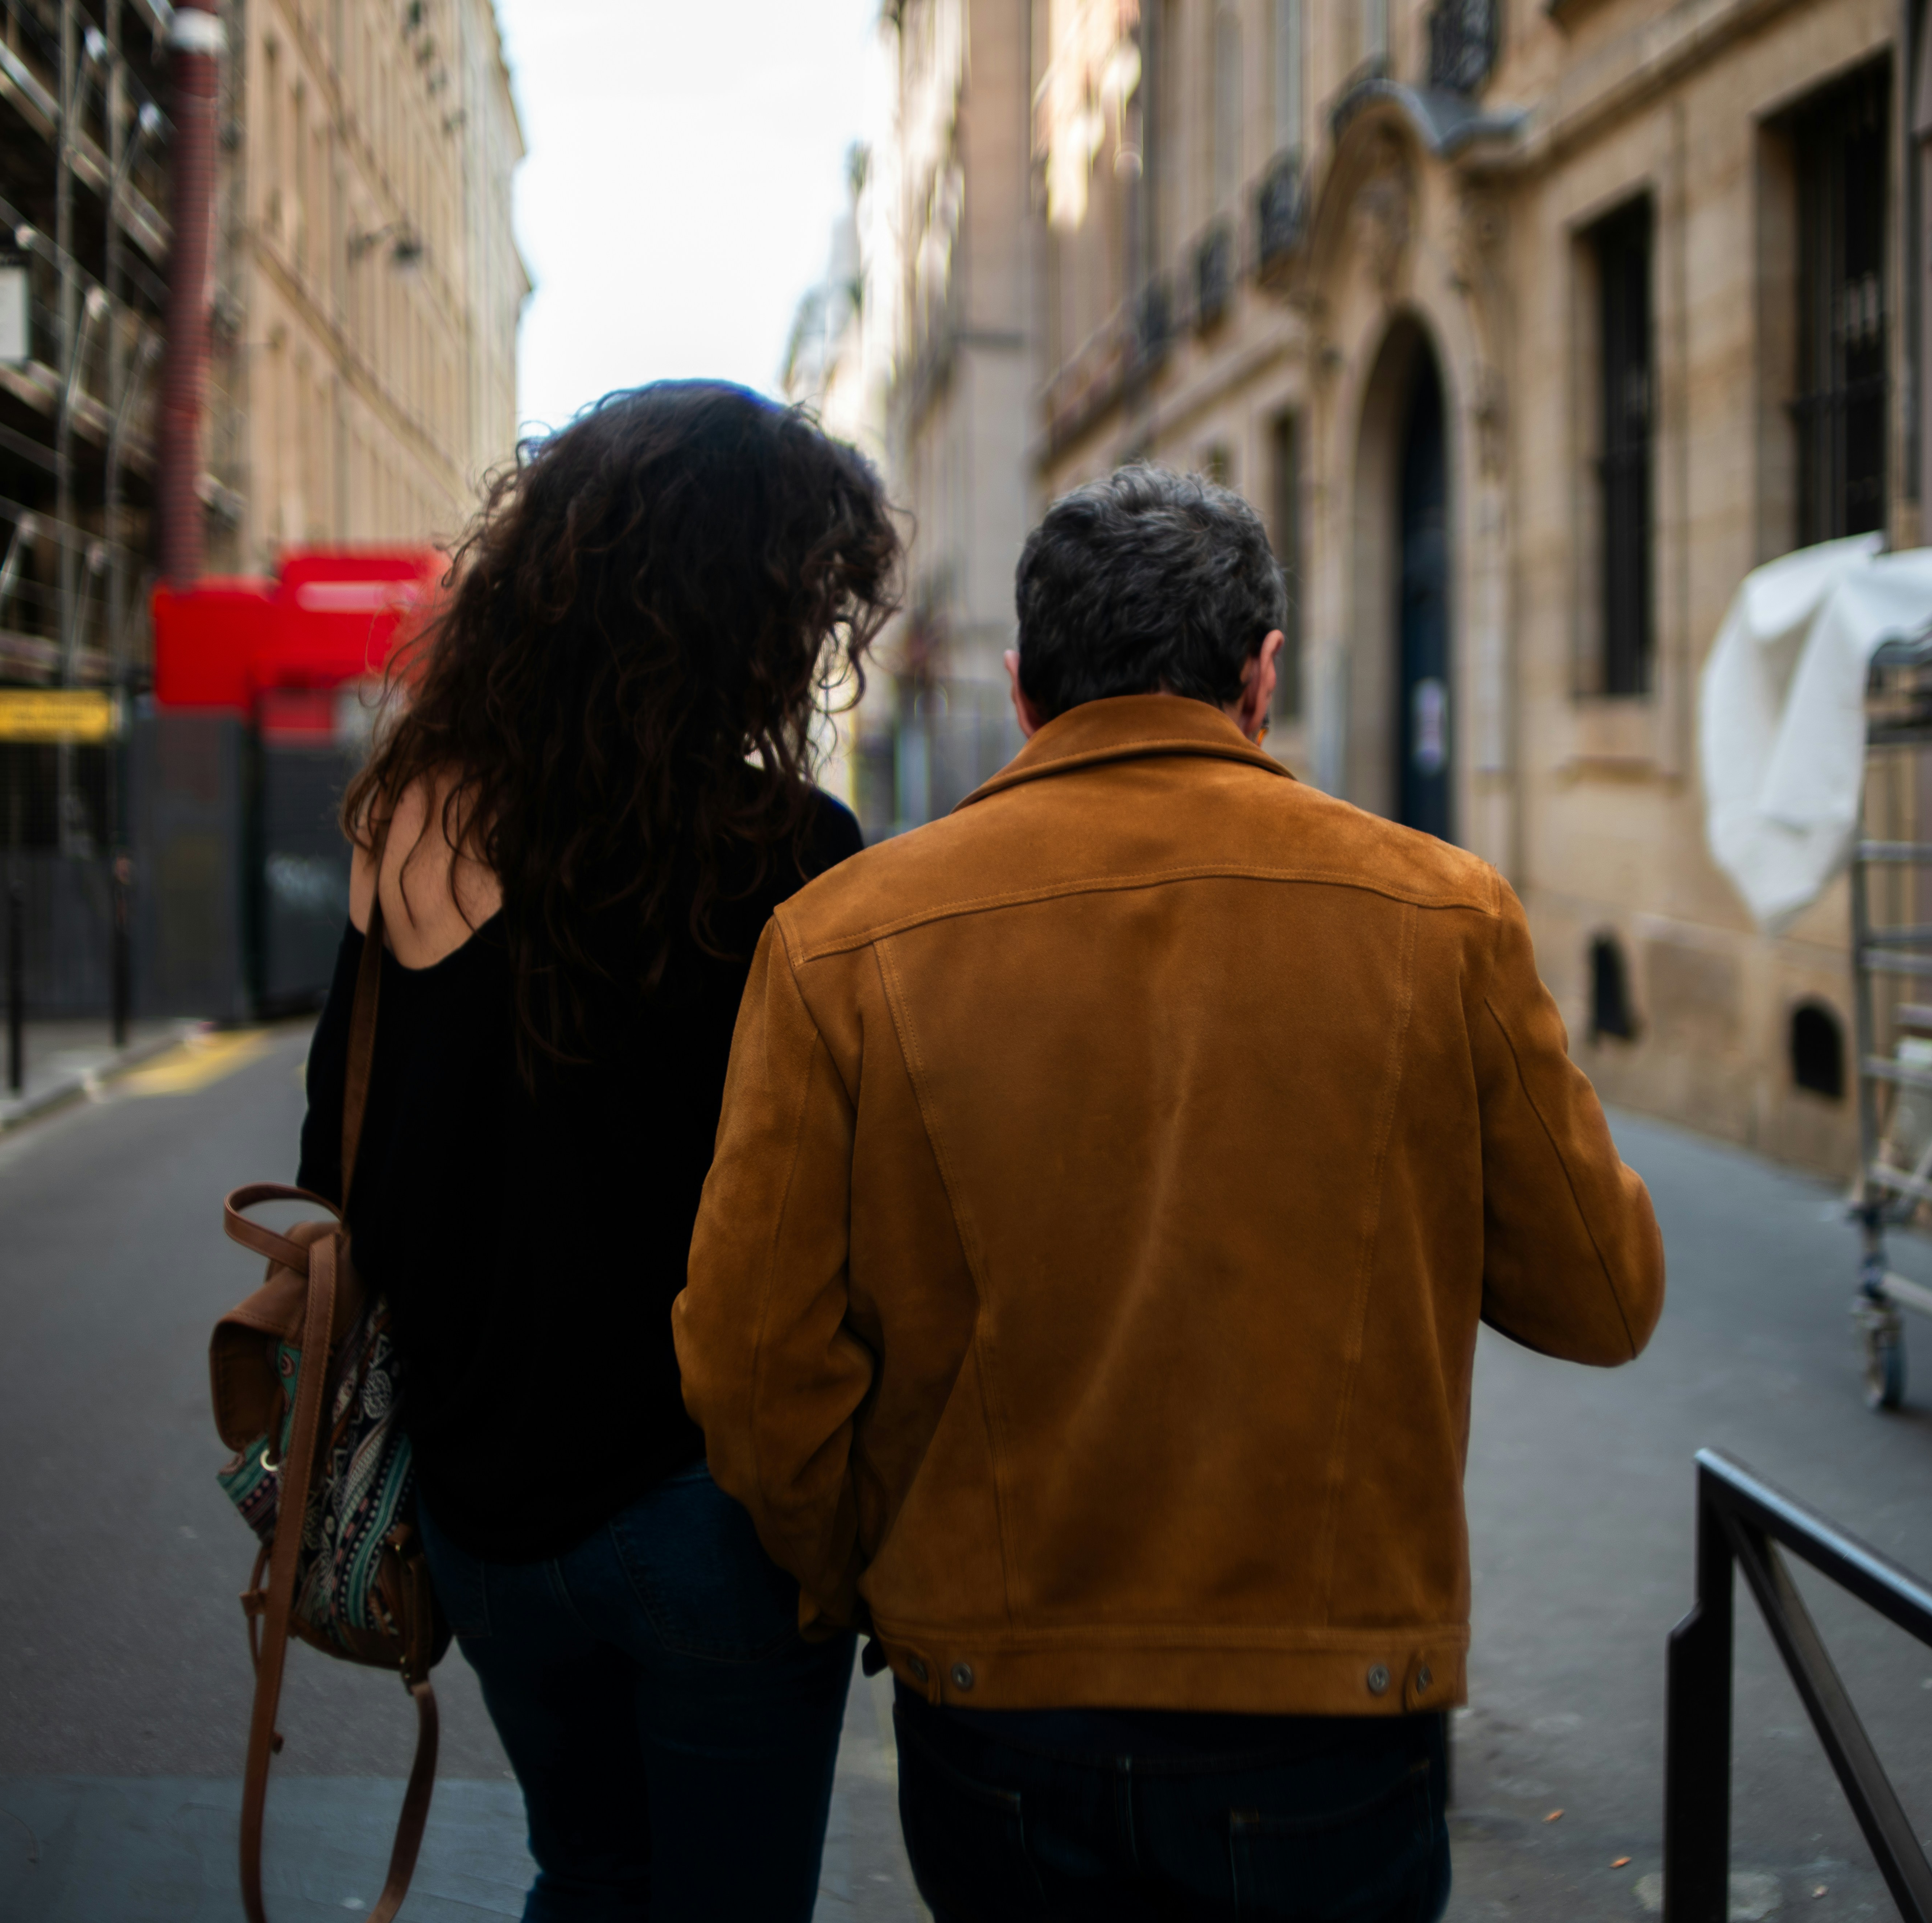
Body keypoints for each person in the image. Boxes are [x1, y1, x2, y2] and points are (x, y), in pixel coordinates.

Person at [676, 464, 1665, 1922]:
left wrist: (885, 1572)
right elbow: (1599, 1296)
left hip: (992, 1696)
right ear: (1259, 681)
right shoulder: (1441, 916)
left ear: (1024, 693)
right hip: (1328, 1712)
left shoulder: (838, 944)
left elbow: (752, 1369)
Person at [297, 381, 899, 1922]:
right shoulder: (790, 857)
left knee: (589, 1874)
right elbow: (859, 1218)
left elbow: (342, 1164)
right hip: (713, 1514)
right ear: (746, 620)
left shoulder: (409, 829)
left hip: (482, 1519)